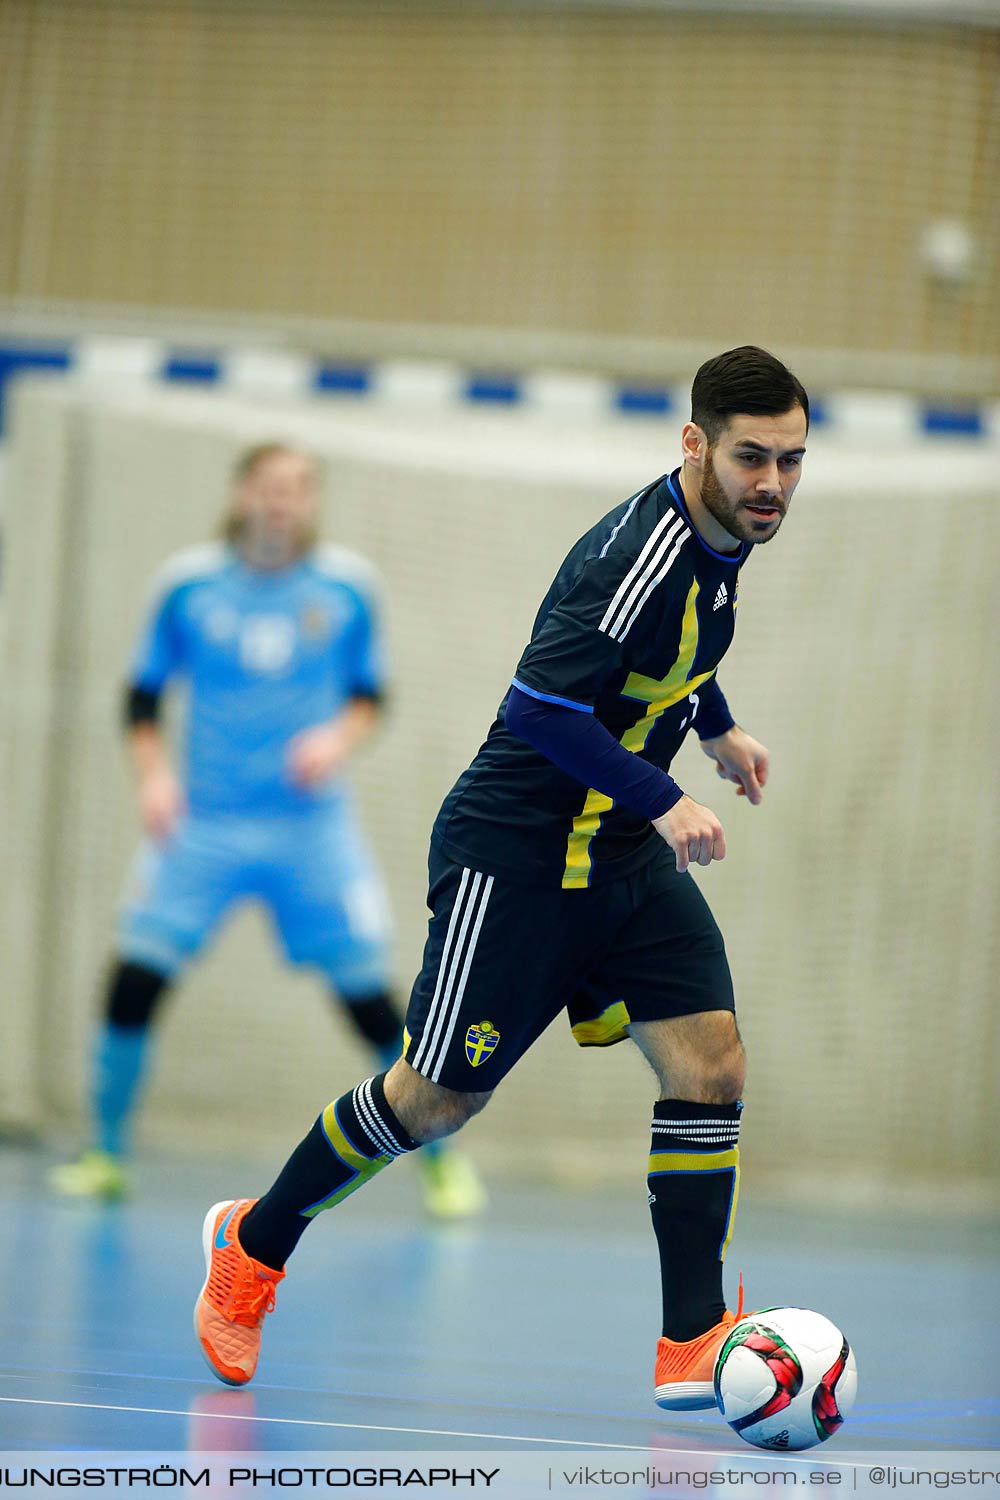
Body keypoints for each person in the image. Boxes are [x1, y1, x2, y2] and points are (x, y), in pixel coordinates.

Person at [193, 347, 810, 1408]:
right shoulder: (640, 556)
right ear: (693, 445)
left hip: (615, 854)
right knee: (432, 1104)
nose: (771, 484)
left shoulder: (719, 548)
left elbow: (668, 661)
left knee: (710, 1065)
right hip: (515, 858)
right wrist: (666, 798)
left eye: (791, 461)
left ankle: (689, 1340)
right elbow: (538, 709)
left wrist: (717, 726)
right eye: (750, 458)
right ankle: (253, 1244)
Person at [49, 443, 484, 1221]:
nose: (282, 502)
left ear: (310, 503)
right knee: (135, 980)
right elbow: (142, 697)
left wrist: (334, 742)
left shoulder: (346, 589)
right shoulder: (188, 586)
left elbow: (370, 695)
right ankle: (106, 1153)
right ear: (243, 493)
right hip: (204, 827)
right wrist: (153, 778)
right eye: (269, 486)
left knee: (369, 1002)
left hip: (308, 831)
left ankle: (442, 1163)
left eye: (298, 489)